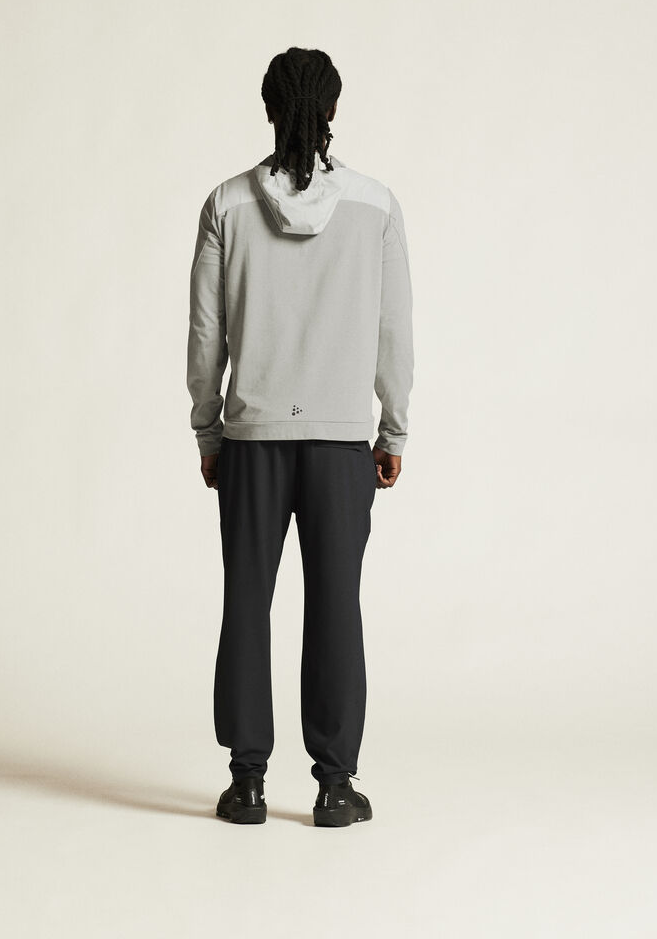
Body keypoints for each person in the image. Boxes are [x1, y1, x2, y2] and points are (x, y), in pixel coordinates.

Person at [186, 46, 414, 827]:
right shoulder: (376, 206)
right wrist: (393, 430)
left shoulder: (226, 204)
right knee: (336, 605)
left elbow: (206, 334)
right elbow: (394, 331)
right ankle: (335, 786)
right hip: (342, 442)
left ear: (269, 110)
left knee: (246, 602)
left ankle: (247, 782)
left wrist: (208, 430)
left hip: (251, 439)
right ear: (333, 111)